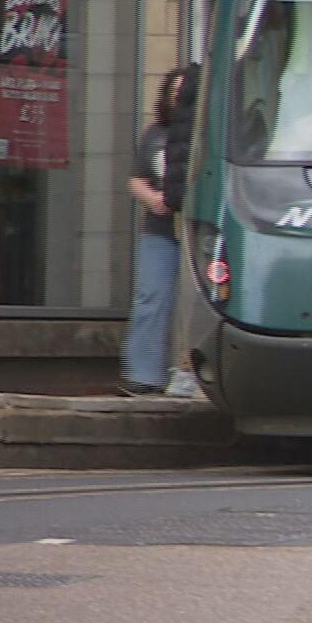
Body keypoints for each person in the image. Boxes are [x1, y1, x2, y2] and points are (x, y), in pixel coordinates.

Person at [121, 64, 198, 396]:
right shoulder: (154, 134)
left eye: (185, 92)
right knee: (151, 296)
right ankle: (143, 373)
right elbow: (136, 179)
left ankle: (190, 373)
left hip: (198, 230)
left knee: (194, 304)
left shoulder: (206, 135)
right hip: (160, 228)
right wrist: (152, 199)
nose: (179, 98)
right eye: (174, 92)